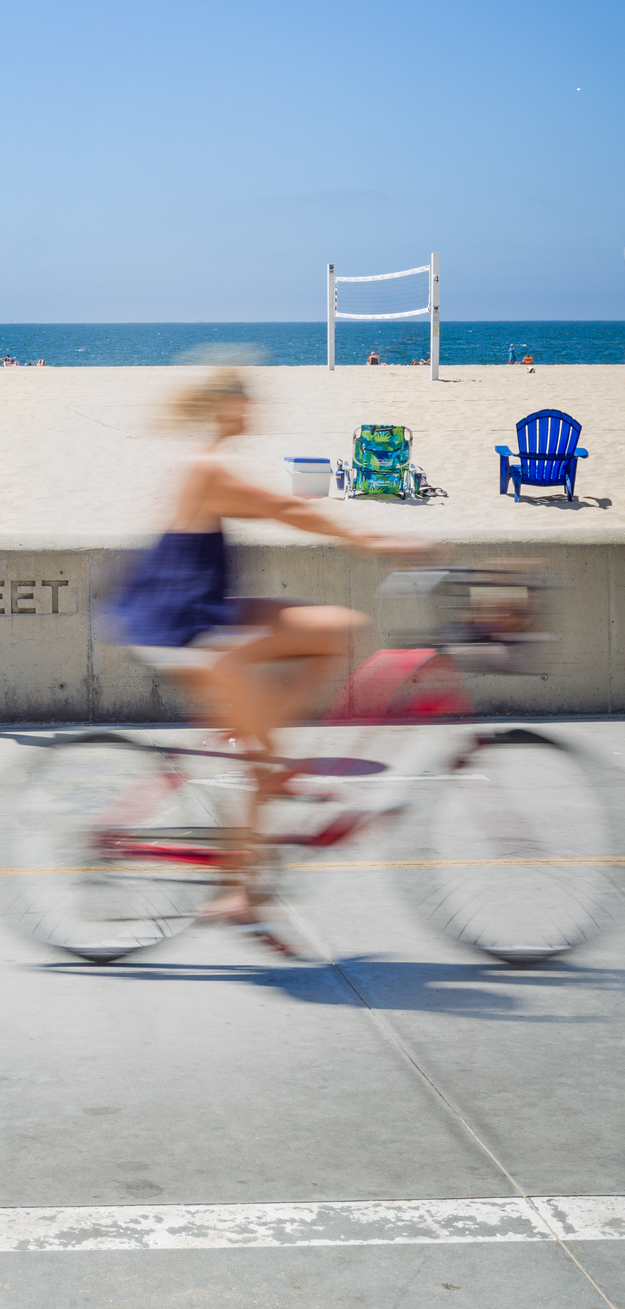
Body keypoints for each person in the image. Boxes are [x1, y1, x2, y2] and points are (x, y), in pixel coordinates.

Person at [111, 367, 421, 930]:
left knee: (339, 628)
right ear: (226, 406)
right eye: (245, 395)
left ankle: (267, 749)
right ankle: (238, 888)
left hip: (203, 613)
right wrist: (373, 540)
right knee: (262, 761)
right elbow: (289, 510)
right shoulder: (207, 470)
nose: (253, 404)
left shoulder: (207, 464)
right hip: (192, 631)